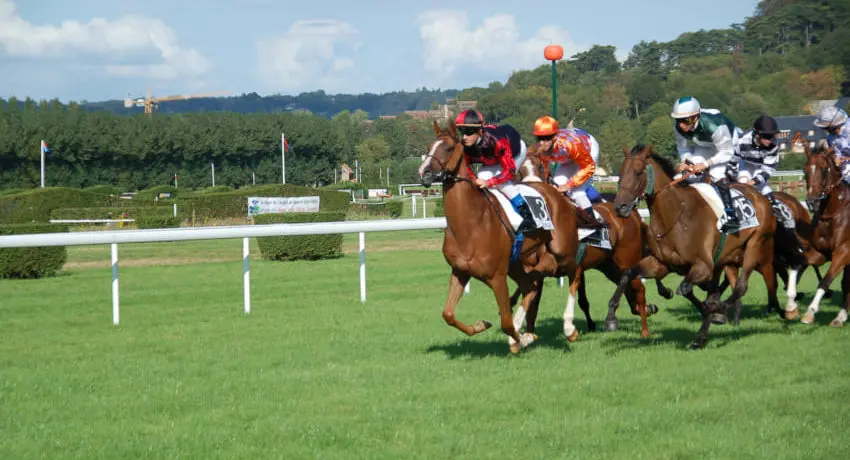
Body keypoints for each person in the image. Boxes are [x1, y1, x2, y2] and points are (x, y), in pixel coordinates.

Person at [455, 109, 536, 233]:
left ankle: (527, 215)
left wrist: (489, 182)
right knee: (481, 176)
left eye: (469, 132)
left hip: (515, 153)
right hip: (492, 159)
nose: (465, 137)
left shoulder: (497, 141)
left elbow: (509, 171)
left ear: (480, 131)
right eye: (462, 132)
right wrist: (474, 179)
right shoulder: (465, 145)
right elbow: (465, 167)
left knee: (501, 183)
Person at [671, 96, 742, 232]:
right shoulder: (678, 128)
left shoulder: (714, 125)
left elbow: (726, 152)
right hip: (706, 144)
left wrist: (705, 164)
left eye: (685, 120)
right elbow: (683, 148)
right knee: (687, 174)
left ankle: (731, 215)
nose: (681, 125)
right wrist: (686, 162)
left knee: (716, 173)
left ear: (695, 117)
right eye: (678, 120)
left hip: (729, 144)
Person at [532, 115, 606, 228]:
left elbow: (588, 166)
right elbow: (545, 171)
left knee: (577, 191)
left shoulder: (569, 145)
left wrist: (569, 185)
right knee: (557, 183)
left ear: (554, 137)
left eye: (547, 138)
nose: (543, 143)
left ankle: (594, 225)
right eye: (540, 138)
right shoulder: (539, 149)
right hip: (568, 156)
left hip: (587, 150)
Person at [730, 115, 781, 209]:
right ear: (756, 134)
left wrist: (753, 181)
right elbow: (732, 162)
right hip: (744, 165)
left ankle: (778, 210)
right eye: (766, 136)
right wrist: (732, 177)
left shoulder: (774, 145)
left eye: (771, 136)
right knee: (743, 182)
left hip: (761, 167)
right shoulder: (741, 141)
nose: (770, 140)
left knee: (768, 195)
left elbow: (768, 170)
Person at [813, 105, 850, 186]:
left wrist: (845, 159)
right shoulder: (830, 137)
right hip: (845, 169)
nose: (825, 130)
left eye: (826, 128)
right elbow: (837, 153)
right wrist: (836, 158)